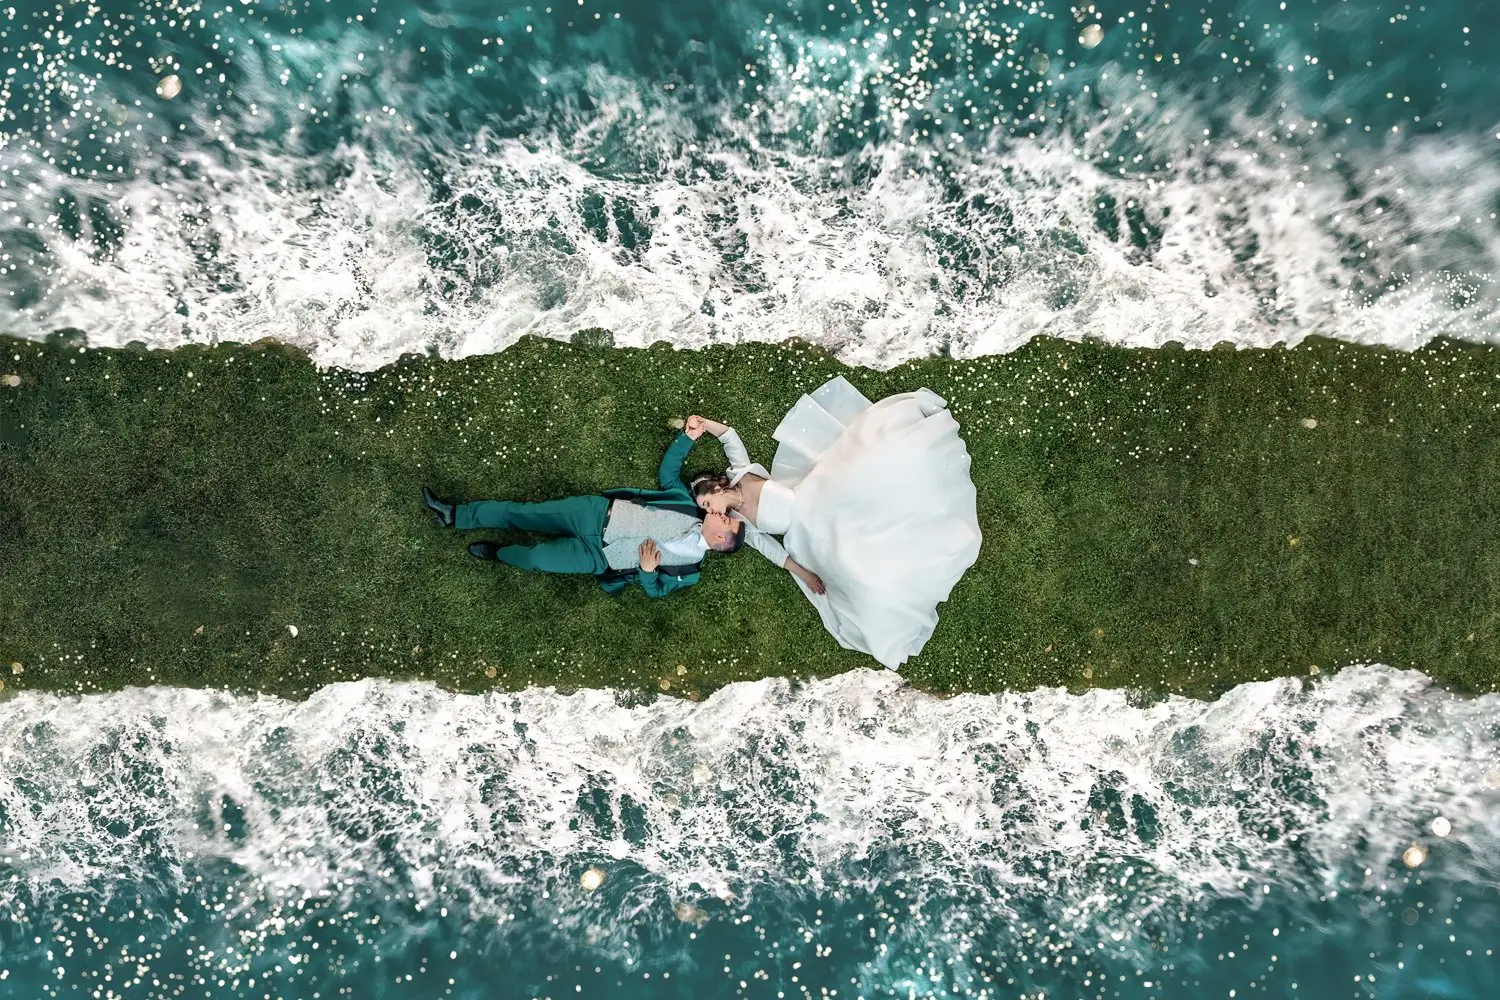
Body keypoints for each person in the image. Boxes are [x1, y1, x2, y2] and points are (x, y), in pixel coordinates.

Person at [683, 376, 982, 669]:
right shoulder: (737, 525)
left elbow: (729, 437)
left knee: (884, 469)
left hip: (821, 492)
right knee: (866, 574)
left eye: (707, 503)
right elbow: (772, 551)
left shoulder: (742, 472)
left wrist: (703, 424)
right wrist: (804, 573)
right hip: (810, 535)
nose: (710, 512)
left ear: (717, 488)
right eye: (706, 509)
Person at [421, 429, 744, 598]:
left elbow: (655, 592)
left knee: (537, 560)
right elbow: (669, 476)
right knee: (523, 514)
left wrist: (647, 570)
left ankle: (501, 553)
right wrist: (687, 438)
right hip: (594, 514)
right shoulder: (688, 505)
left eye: (725, 518)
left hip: (599, 556)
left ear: (720, 538)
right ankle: (456, 515)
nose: (721, 512)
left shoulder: (689, 570)